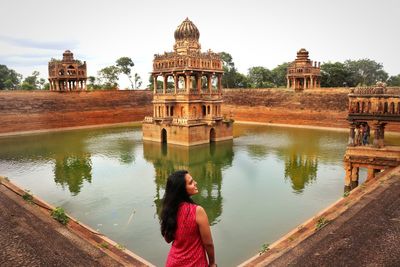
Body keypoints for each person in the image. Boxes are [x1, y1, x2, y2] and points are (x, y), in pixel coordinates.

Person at [160, 170, 216, 267]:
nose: (195, 183)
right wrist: (212, 263)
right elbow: (208, 243)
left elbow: (168, 239)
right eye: (191, 182)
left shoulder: (170, 210)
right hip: (195, 263)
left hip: (173, 262)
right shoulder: (197, 211)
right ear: (181, 189)